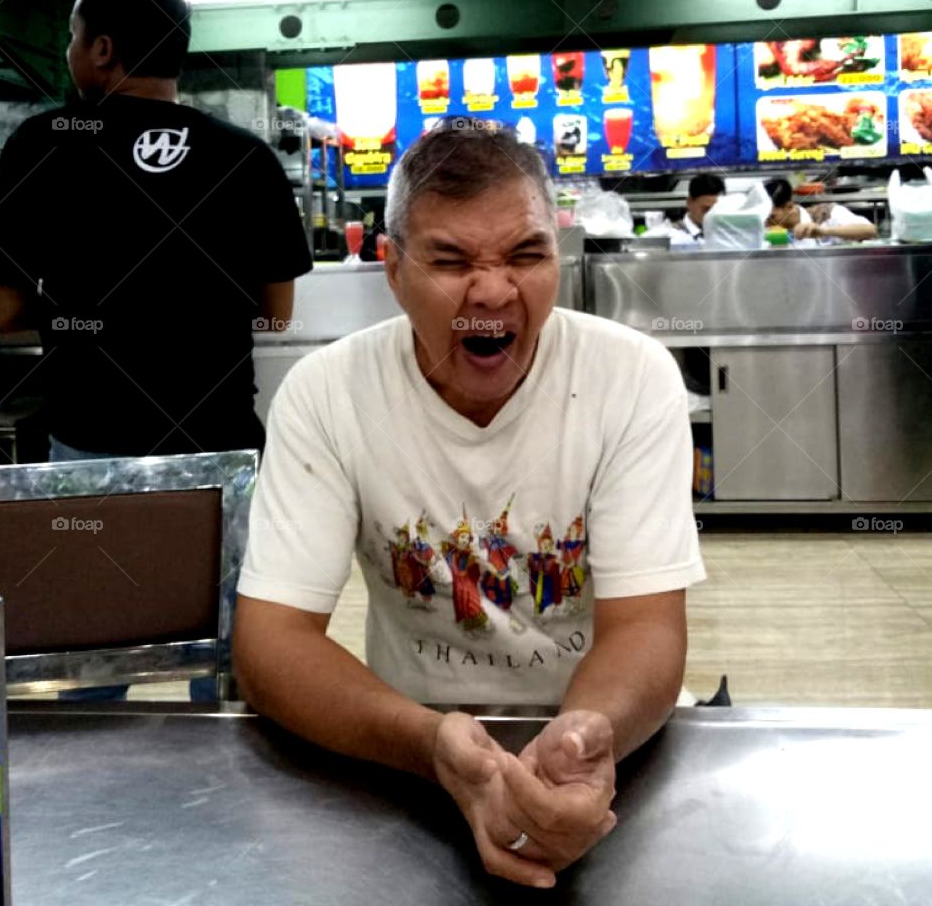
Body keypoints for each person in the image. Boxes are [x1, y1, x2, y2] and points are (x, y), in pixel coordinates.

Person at [234, 116, 704, 889]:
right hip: (401, 748)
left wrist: (584, 741)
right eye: (450, 260)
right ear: (392, 269)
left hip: (611, 745)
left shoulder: (630, 379)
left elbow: (647, 624)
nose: (491, 291)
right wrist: (429, 743)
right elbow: (272, 642)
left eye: (526, 254)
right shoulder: (327, 395)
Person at [0, 0, 312, 460]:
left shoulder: (41, 146)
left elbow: (2, 315)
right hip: (220, 450)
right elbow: (275, 316)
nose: (69, 49)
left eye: (73, 35)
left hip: (92, 447)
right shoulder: (246, 157)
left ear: (103, 50)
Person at [765, 178, 875, 245]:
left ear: (789, 207)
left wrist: (823, 231)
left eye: (772, 217)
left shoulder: (825, 214)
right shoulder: (762, 229)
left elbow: (870, 231)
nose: (767, 223)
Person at [643, 172, 725, 244]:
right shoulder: (665, 236)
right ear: (689, 202)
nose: (711, 215)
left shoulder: (727, 235)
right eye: (706, 210)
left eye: (716, 210)